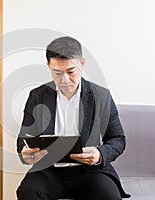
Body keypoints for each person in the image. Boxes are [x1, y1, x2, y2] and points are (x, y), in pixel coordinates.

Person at [16, 36, 130, 200]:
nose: (65, 80)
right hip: (49, 171)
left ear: (82, 64)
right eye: (57, 72)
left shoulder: (101, 95)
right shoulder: (37, 96)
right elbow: (23, 139)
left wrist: (99, 154)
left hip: (89, 172)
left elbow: (118, 139)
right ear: (49, 66)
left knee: (109, 195)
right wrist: (25, 153)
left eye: (71, 71)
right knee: (27, 192)